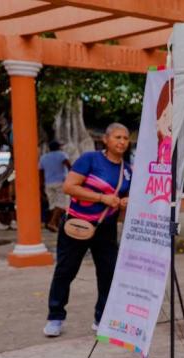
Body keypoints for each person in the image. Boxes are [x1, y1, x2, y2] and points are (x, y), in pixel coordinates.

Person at [43, 123, 133, 337]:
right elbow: (69, 187)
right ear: (106, 139)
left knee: (108, 273)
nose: (121, 142)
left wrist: (124, 202)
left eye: (125, 138)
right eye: (117, 137)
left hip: (106, 227)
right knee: (66, 271)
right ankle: (55, 317)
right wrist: (102, 197)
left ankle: (101, 318)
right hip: (77, 224)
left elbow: (122, 201)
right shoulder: (90, 159)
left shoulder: (128, 170)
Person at [39, 141, 72, 232]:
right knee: (62, 204)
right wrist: (72, 176)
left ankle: (55, 225)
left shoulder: (43, 157)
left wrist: (41, 184)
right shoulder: (62, 155)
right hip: (61, 181)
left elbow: (41, 172)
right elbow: (68, 165)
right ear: (58, 147)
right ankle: (52, 222)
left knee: (53, 204)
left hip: (48, 183)